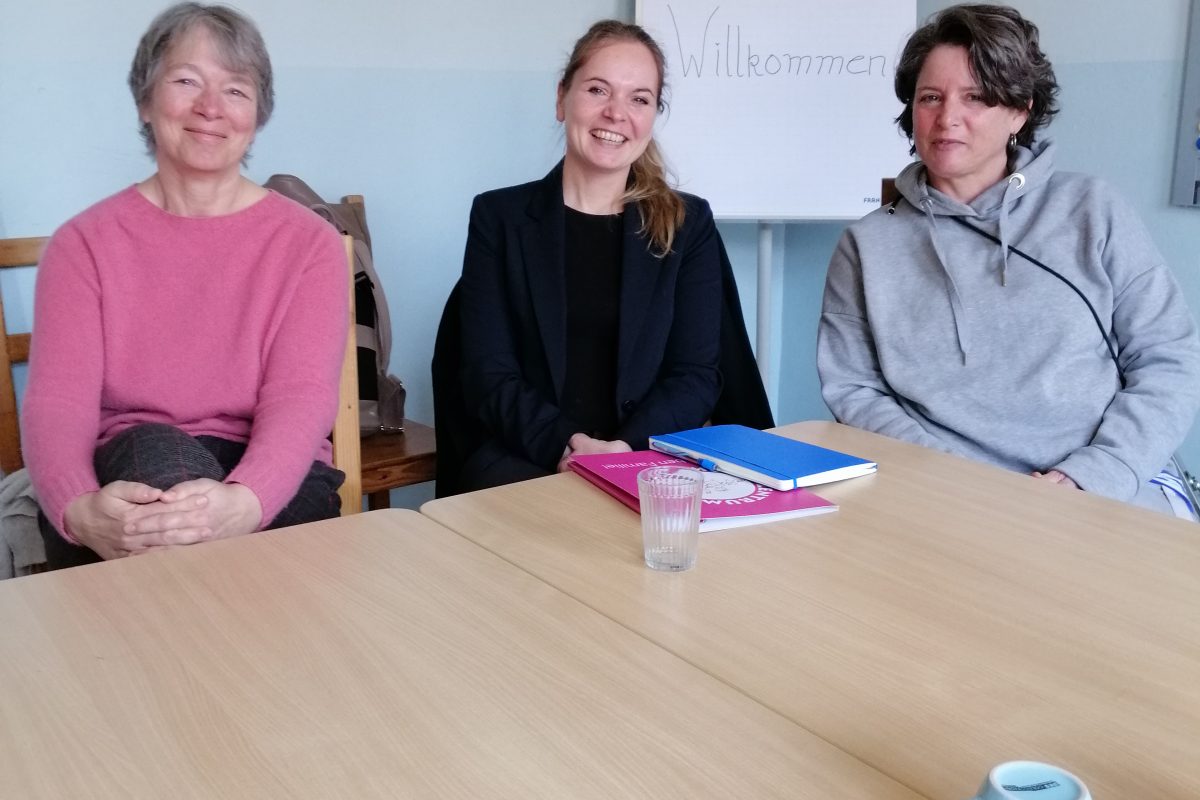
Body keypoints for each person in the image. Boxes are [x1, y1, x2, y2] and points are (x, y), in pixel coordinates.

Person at [817, 3, 1200, 515]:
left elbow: (1168, 359)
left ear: (1020, 110)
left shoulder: (1092, 210)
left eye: (975, 97)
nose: (947, 117)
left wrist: (1092, 475)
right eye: (930, 97)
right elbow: (855, 390)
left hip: (1097, 488)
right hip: (941, 494)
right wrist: (958, 483)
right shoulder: (866, 244)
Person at [23, 2, 348, 568]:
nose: (210, 108)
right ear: (145, 100)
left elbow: (300, 397)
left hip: (274, 477)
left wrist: (247, 500)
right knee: (156, 467)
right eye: (186, 81)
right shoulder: (81, 245)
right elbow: (58, 402)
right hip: (128, 473)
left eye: (236, 90)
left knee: (180, 534)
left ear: (257, 115)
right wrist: (76, 510)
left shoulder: (309, 244)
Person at [454, 20, 724, 491]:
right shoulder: (499, 217)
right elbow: (488, 371)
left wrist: (623, 451)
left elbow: (695, 375)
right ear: (562, 98)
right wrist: (567, 446)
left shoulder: (689, 223)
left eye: (639, 99)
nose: (616, 113)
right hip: (530, 458)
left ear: (653, 115)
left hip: (649, 457)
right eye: (598, 90)